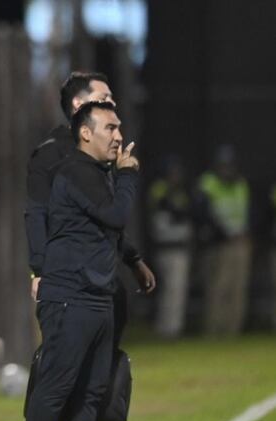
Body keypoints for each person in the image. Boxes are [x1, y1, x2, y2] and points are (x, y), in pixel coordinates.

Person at [19, 101, 139, 421]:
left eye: (119, 127)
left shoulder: (97, 173)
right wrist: (127, 176)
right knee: (57, 384)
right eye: (109, 128)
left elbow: (108, 231)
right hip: (70, 293)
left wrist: (135, 262)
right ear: (85, 133)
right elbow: (116, 215)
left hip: (97, 293)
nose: (118, 136)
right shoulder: (76, 171)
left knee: (92, 388)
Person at [25, 72, 155, 349]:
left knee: (103, 363)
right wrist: (39, 271)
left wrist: (132, 259)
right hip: (70, 285)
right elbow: (36, 213)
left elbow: (104, 216)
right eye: (104, 97)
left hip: (99, 279)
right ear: (78, 104)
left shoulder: (97, 155)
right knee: (64, 365)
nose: (112, 103)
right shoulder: (52, 153)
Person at [195, 145, 251, 335]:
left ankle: (233, 331)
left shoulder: (240, 184)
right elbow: (203, 215)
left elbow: (247, 213)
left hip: (240, 242)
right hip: (220, 244)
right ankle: (214, 330)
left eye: (229, 164)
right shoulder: (208, 183)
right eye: (223, 165)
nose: (227, 168)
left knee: (238, 288)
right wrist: (222, 234)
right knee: (219, 288)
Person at [148, 156, 193, 337]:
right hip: (166, 246)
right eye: (173, 172)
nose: (176, 175)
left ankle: (174, 328)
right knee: (169, 289)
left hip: (179, 246)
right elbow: (166, 211)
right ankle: (166, 328)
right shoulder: (160, 189)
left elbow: (185, 213)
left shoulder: (180, 192)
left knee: (177, 290)